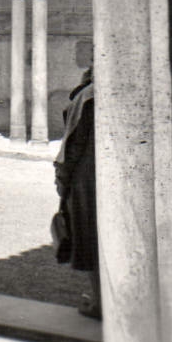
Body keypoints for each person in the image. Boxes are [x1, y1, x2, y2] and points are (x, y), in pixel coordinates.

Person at [55, 65, 100, 319]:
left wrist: (61, 179)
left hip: (86, 179)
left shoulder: (87, 96)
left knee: (90, 240)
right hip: (102, 174)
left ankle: (99, 303)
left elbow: (72, 144)